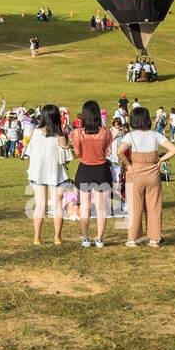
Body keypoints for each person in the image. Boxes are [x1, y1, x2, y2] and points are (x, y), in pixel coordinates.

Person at [114, 106, 175, 247]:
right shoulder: (155, 135)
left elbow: (119, 152)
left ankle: (132, 239)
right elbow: (174, 149)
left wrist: (129, 165)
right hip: (152, 175)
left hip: (135, 174)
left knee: (134, 207)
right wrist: (161, 160)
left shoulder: (130, 136)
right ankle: (155, 238)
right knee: (154, 206)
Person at [26, 104, 71, 245]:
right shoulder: (59, 135)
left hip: (38, 173)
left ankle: (37, 237)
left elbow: (30, 153)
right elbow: (66, 159)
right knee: (57, 206)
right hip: (55, 173)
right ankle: (57, 237)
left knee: (39, 205)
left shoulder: (35, 132)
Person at [71, 100, 113, 248]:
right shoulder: (106, 132)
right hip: (101, 169)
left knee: (85, 206)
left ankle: (85, 238)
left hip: (85, 169)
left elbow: (77, 153)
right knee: (101, 207)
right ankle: (100, 239)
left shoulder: (77, 133)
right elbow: (108, 151)